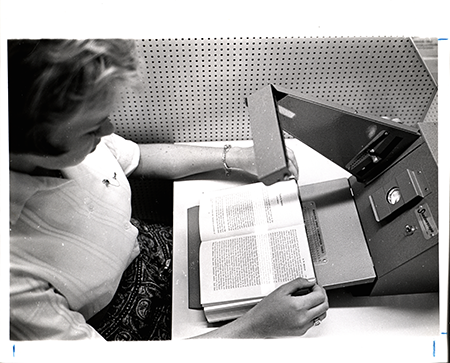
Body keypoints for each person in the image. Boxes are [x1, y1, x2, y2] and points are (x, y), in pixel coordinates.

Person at [8, 39, 329, 341]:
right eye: (93, 128)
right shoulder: (12, 283)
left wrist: (236, 157)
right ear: (30, 139)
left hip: (156, 254)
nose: (108, 130)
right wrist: (257, 328)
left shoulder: (65, 134)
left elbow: (138, 157)